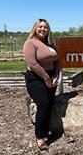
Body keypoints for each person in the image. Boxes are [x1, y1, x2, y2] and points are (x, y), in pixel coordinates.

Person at [23, 19, 61, 150]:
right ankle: (39, 136)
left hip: (51, 78)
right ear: (35, 28)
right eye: (40, 26)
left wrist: (56, 76)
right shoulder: (30, 43)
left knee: (50, 104)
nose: (43, 29)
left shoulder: (51, 44)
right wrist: (46, 78)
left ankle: (46, 130)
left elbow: (58, 62)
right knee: (43, 103)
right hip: (36, 79)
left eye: (45, 27)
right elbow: (33, 64)